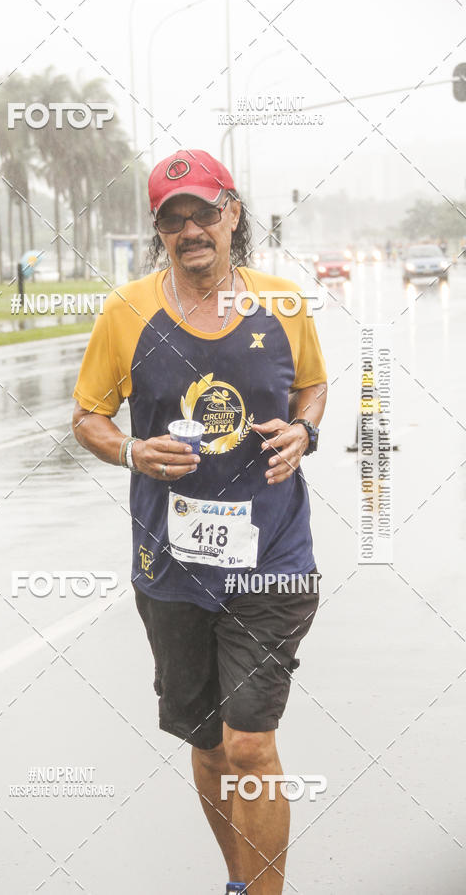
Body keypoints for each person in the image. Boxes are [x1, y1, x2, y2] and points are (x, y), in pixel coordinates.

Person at [72, 149, 328, 895]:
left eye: (202, 212)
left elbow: (311, 389)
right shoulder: (126, 313)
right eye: (172, 218)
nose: (190, 229)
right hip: (171, 567)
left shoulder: (282, 305)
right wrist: (130, 452)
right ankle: (240, 881)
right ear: (160, 231)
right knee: (210, 746)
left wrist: (303, 431)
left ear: (232, 214)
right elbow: (87, 416)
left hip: (272, 558)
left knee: (249, 744)